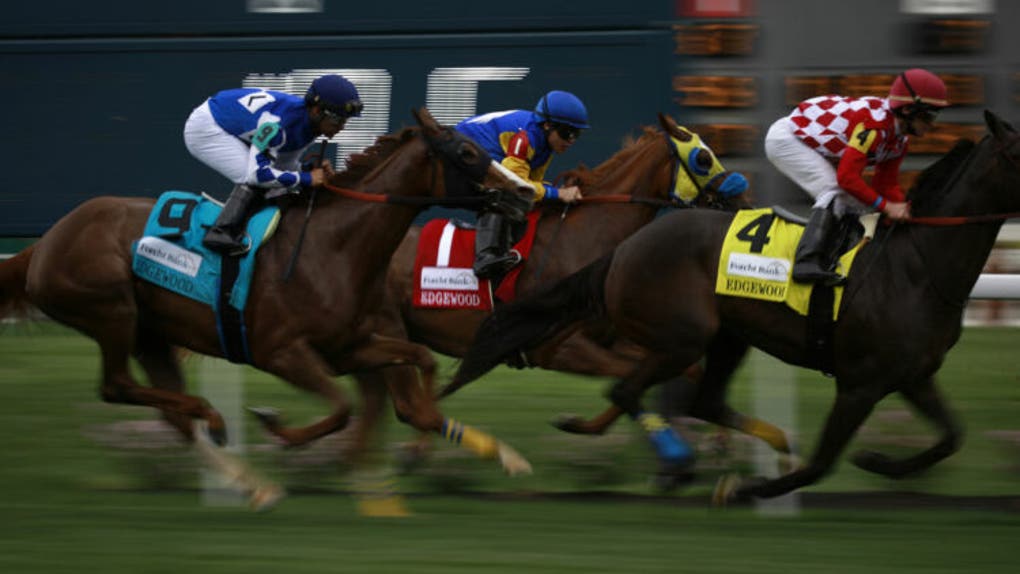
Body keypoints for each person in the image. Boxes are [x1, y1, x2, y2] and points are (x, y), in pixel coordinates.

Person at [765, 68, 949, 284]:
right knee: (836, 190)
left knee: (860, 204)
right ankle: (806, 262)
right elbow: (847, 178)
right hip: (786, 139)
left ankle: (837, 257)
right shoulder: (873, 125)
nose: (931, 123)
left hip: (811, 143)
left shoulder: (899, 141)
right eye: (928, 115)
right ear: (908, 109)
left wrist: (904, 212)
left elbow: (886, 184)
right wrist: (888, 207)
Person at [183, 74, 363, 254]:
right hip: (207, 128)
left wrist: (308, 170)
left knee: (279, 183)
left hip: (231, 121)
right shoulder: (277, 126)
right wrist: (307, 178)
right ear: (316, 111)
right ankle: (221, 232)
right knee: (252, 178)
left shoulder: (308, 126)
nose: (341, 127)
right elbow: (258, 175)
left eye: (345, 120)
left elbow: (287, 167)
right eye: (337, 120)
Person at [455, 90, 589, 279]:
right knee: (507, 193)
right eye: (567, 132)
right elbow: (518, 186)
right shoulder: (525, 138)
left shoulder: (546, 144)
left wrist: (554, 193)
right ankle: (485, 256)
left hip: (484, 151)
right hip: (461, 149)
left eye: (577, 134)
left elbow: (534, 184)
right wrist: (558, 194)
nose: (571, 141)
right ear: (548, 125)